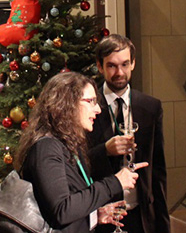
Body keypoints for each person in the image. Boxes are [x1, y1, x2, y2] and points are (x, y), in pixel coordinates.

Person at [14, 72, 148, 232]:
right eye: (91, 101)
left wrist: (94, 216)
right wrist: (116, 182)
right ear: (66, 104)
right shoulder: (47, 147)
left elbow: (69, 209)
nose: (98, 109)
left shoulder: (68, 144)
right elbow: (61, 211)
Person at [88, 34, 170, 233]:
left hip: (141, 215)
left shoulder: (151, 107)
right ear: (100, 67)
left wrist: (163, 224)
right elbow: (76, 163)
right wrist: (104, 151)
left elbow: (158, 170)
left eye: (125, 64)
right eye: (112, 66)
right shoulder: (87, 106)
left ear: (133, 64)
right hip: (103, 217)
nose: (119, 72)